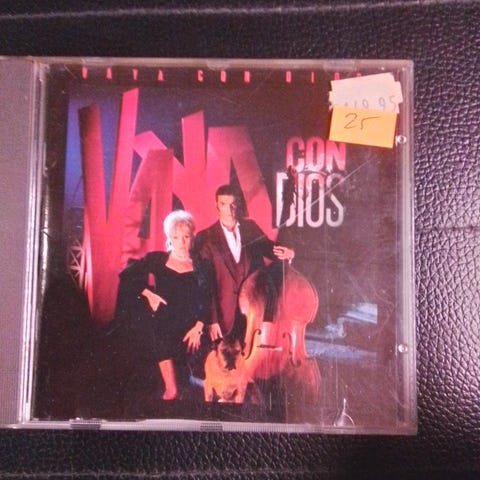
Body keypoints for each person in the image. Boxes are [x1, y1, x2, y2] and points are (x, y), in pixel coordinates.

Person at [115, 210, 212, 400]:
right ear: (169, 238)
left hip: (190, 328)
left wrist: (199, 327)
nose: (181, 242)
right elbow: (126, 274)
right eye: (176, 237)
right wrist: (148, 294)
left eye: (186, 237)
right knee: (172, 389)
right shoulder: (158, 259)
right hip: (163, 326)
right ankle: (170, 391)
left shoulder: (202, 265)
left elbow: (207, 298)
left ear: (192, 237)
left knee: (190, 385)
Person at [194, 184, 294, 341]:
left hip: (253, 308)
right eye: (223, 204)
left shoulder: (250, 228)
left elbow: (270, 249)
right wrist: (212, 320)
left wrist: (289, 252)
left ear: (238, 204)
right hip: (223, 315)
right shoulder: (205, 237)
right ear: (217, 205)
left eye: (233, 204)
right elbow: (206, 283)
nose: (229, 209)